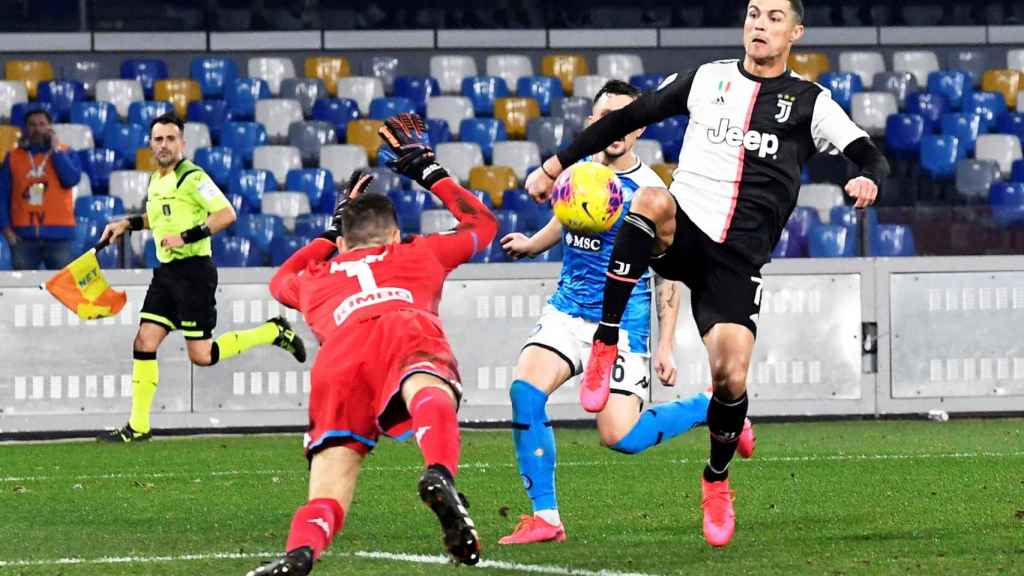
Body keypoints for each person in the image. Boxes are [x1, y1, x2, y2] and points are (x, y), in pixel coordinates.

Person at [524, 0, 889, 547]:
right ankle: (605, 340)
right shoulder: (707, 79)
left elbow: (869, 153)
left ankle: (716, 480)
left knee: (731, 378)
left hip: (737, 264)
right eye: (752, 14)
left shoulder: (811, 103)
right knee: (649, 198)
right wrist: (555, 164)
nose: (759, 25)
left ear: (795, 31)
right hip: (684, 231)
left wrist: (868, 179)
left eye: (772, 17)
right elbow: (627, 117)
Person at [498, 80, 755, 545]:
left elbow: (669, 274)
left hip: (623, 327)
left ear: (637, 130)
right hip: (567, 310)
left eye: (627, 118)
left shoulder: (652, 191)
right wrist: (534, 243)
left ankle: (707, 408)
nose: (615, 127)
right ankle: (546, 517)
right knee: (524, 392)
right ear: (594, 124)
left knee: (621, 436)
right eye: (605, 117)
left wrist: (665, 344)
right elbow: (569, 216)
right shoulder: (577, 170)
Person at [247, 112, 497, 575]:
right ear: (396, 235)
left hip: (339, 358)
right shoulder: (417, 252)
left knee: (328, 487)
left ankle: (300, 553)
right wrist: (425, 168)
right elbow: (481, 224)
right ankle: (439, 470)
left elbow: (281, 279)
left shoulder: (318, 277)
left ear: (344, 244)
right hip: (403, 325)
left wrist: (328, 234)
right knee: (427, 388)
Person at [96, 113, 306, 443]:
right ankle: (138, 426)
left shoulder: (193, 178)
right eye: (158, 139)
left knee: (202, 356)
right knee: (144, 341)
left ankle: (273, 331)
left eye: (170, 139)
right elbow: (158, 218)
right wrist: (128, 224)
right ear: (150, 144)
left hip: (194, 273)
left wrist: (187, 236)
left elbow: (226, 214)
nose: (163, 145)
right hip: (166, 273)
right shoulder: (155, 180)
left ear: (182, 143)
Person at [0, 108, 82, 270]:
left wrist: (56, 151)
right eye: (32, 125)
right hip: (23, 237)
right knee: (24, 291)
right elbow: (2, 195)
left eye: (42, 124)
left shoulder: (66, 152)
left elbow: (71, 179)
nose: (37, 129)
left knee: (64, 289)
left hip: (59, 236)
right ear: (25, 129)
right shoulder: (13, 157)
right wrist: (5, 228)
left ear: (50, 127)